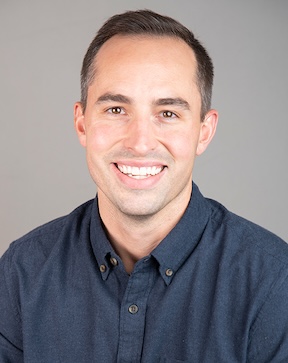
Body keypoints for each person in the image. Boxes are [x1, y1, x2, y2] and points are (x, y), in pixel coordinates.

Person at [0, 9, 287, 363]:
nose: (139, 142)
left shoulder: (274, 283)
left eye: (168, 113)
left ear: (204, 132)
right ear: (82, 124)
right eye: (116, 109)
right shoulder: (22, 272)